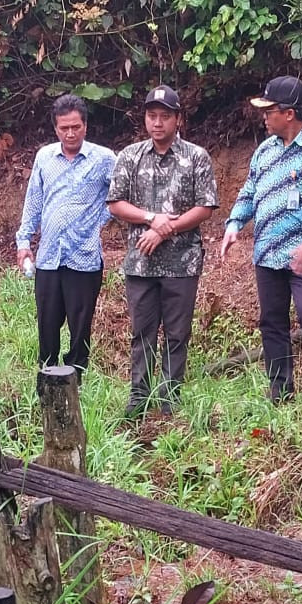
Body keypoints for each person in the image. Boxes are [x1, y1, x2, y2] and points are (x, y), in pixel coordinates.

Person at [222, 76, 302, 406]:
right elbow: (249, 192)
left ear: (289, 113)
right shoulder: (264, 151)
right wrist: (234, 223)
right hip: (267, 254)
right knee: (272, 320)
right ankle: (280, 387)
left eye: (269, 110)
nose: (264, 116)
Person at [106, 86, 218, 418]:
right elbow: (115, 204)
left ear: (178, 119)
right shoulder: (130, 155)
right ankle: (139, 397)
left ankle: (169, 400)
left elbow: (206, 206)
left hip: (182, 263)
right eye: (152, 116)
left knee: (177, 333)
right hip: (140, 264)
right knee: (142, 333)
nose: (157, 123)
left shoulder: (196, 156)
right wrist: (151, 218)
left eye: (165, 117)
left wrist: (167, 228)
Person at [14, 94, 117, 372]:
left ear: (85, 125)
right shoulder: (45, 157)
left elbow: (120, 196)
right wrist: (24, 241)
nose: (70, 133)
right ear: (55, 127)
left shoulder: (104, 159)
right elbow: (34, 202)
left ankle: (76, 384)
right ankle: (47, 382)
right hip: (49, 258)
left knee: (80, 328)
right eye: (64, 128)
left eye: (76, 127)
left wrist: (98, 220)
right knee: (47, 327)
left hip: (84, 259)